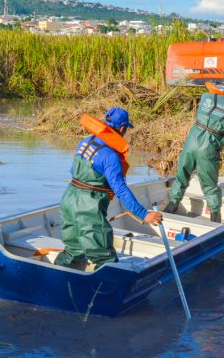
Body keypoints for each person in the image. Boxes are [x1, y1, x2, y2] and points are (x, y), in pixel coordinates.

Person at [55, 107, 163, 269]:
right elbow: (120, 189)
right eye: (126, 129)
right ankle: (105, 292)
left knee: (73, 250)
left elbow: (73, 171)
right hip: (88, 207)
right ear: (122, 128)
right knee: (105, 259)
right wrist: (143, 214)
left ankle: (58, 277)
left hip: (69, 199)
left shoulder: (85, 142)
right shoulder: (110, 156)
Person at [166, 76, 224, 223]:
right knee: (209, 185)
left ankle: (170, 208)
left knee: (181, 176)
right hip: (208, 147)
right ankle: (215, 219)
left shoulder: (205, 97)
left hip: (192, 140)